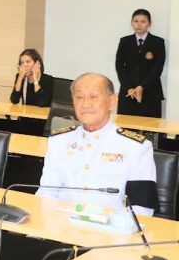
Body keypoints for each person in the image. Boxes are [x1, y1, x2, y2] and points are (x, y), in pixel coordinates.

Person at [38, 73, 157, 216]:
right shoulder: (59, 141)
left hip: (110, 227)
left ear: (112, 101)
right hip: (62, 224)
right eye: (79, 97)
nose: (85, 104)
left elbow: (142, 209)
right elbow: (46, 193)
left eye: (93, 97)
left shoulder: (136, 147)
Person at [115, 9, 166, 118]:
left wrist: (142, 87)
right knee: (126, 126)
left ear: (149, 23)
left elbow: (157, 69)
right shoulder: (124, 41)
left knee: (151, 127)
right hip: (128, 93)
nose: (139, 24)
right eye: (136, 21)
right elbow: (119, 66)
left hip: (151, 94)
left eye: (143, 21)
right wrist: (129, 87)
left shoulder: (158, 42)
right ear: (131, 23)